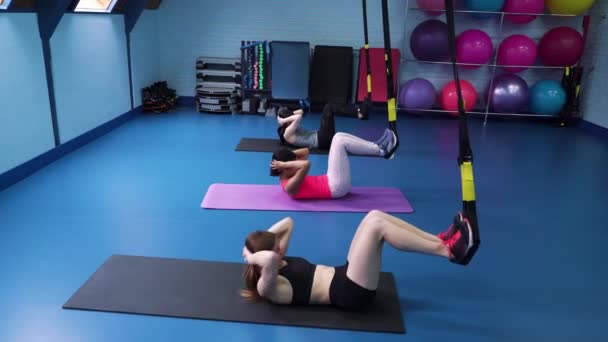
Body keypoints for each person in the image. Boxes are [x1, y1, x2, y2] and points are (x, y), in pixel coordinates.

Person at [241, 210, 475, 310]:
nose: (281, 246)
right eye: (276, 246)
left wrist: (258, 244)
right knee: (378, 228)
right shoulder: (267, 286)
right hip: (350, 293)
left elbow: (288, 222)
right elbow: (270, 258)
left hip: (345, 274)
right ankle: (449, 252)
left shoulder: (276, 258)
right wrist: (251, 256)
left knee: (373, 215)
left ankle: (439, 239)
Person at [270, 129, 397, 199]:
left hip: (330, 180)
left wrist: (287, 157)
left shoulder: (288, 172)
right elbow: (306, 164)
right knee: (340, 142)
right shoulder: (289, 187)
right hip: (336, 188)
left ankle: (376, 146)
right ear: (283, 169)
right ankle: (381, 151)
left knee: (338, 136)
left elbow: (305, 151)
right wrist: (286, 164)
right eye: (290, 165)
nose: (294, 164)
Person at [276, 101, 369, 150]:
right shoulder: (287, 133)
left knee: (329, 107)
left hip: (322, 138)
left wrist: (285, 117)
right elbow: (298, 118)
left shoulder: (289, 126)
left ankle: (358, 113)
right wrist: (283, 119)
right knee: (329, 107)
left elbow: (300, 112)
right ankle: (359, 114)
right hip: (322, 140)